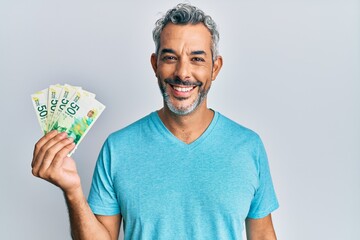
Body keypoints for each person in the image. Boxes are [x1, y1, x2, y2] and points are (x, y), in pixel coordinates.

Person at [31, 3, 279, 240]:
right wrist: (73, 192)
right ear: (155, 64)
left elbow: (263, 235)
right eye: (170, 57)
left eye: (197, 59)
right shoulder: (118, 148)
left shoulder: (248, 146)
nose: (182, 73)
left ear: (215, 68)